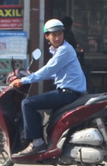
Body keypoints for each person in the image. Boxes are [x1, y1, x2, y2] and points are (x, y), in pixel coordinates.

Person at [11, 19, 88, 157]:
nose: (57, 38)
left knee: (27, 103)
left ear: (63, 34)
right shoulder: (59, 50)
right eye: (54, 35)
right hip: (68, 91)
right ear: (47, 36)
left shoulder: (64, 50)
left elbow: (48, 70)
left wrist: (24, 80)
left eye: (59, 34)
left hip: (68, 93)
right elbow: (55, 74)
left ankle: (37, 142)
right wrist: (32, 76)